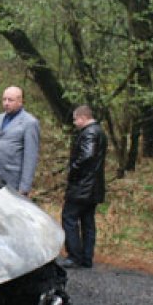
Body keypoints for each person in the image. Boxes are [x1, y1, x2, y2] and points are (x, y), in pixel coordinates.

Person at [60, 105, 107, 269]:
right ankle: (87, 257)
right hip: (93, 186)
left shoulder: (90, 133)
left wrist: (73, 168)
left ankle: (74, 255)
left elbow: (87, 155)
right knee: (87, 221)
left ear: (82, 117)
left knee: (69, 218)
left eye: (75, 119)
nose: (74, 123)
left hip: (82, 186)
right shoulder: (99, 131)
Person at [0, 85, 40, 197]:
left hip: (12, 181)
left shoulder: (29, 123)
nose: (6, 103)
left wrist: (24, 187)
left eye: (10, 100)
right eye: (4, 99)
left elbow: (30, 157)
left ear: (20, 101)